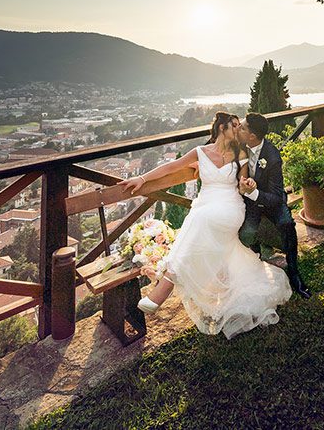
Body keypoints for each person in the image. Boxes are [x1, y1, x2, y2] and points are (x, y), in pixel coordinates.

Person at [117, 111, 291, 339]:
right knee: (200, 222)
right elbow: (170, 167)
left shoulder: (241, 153)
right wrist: (142, 179)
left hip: (230, 206)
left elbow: (241, 185)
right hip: (206, 204)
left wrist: (246, 183)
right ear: (222, 128)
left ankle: (166, 284)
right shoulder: (200, 152)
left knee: (200, 220)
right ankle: (207, 286)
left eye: (241, 126)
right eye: (235, 126)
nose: (238, 130)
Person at [236, 112, 311, 298]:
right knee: (247, 233)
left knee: (287, 224)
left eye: (242, 127)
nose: (238, 128)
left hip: (271, 202)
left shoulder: (272, 156)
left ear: (252, 136)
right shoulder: (238, 146)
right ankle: (256, 269)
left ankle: (294, 274)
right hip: (250, 203)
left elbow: (277, 197)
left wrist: (252, 193)